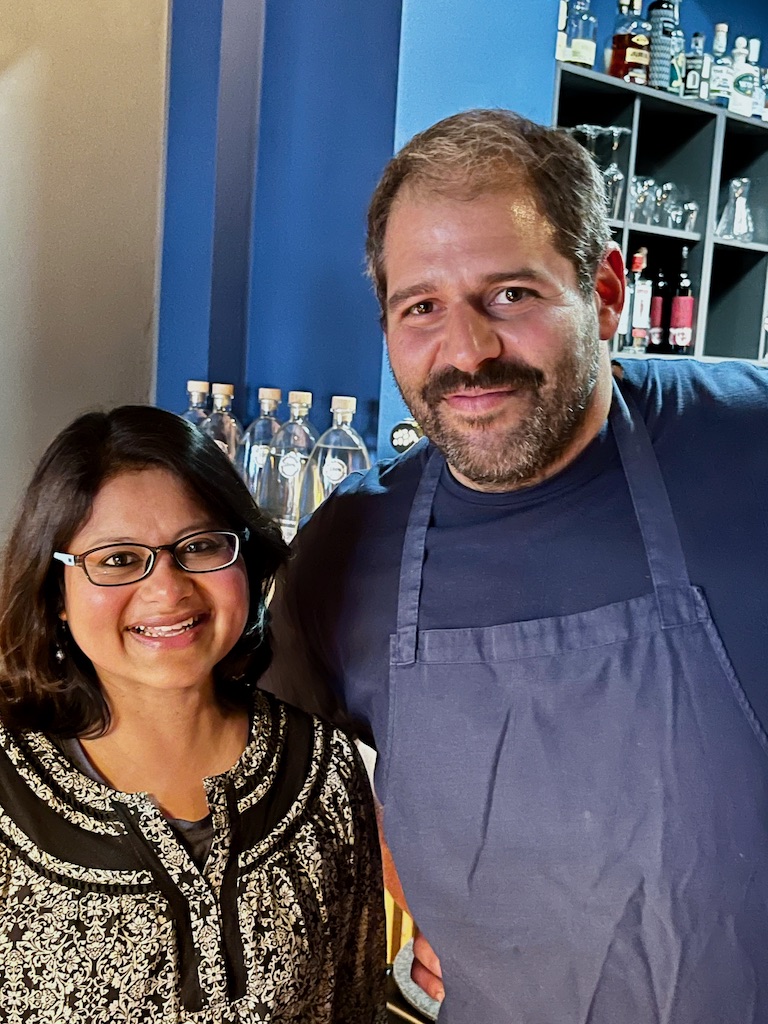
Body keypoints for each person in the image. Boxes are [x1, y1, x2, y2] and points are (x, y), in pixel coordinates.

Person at [261, 107, 768, 1024]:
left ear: (605, 293)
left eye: (510, 294)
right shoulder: (349, 544)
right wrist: (409, 881)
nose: (467, 352)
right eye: (421, 308)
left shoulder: (749, 443)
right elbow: (287, 772)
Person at [0, 405, 386, 1023]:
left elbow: (355, 1005)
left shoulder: (324, 771)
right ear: (57, 593)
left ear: (246, 560)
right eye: (118, 559)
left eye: (200, 546)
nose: (168, 590)